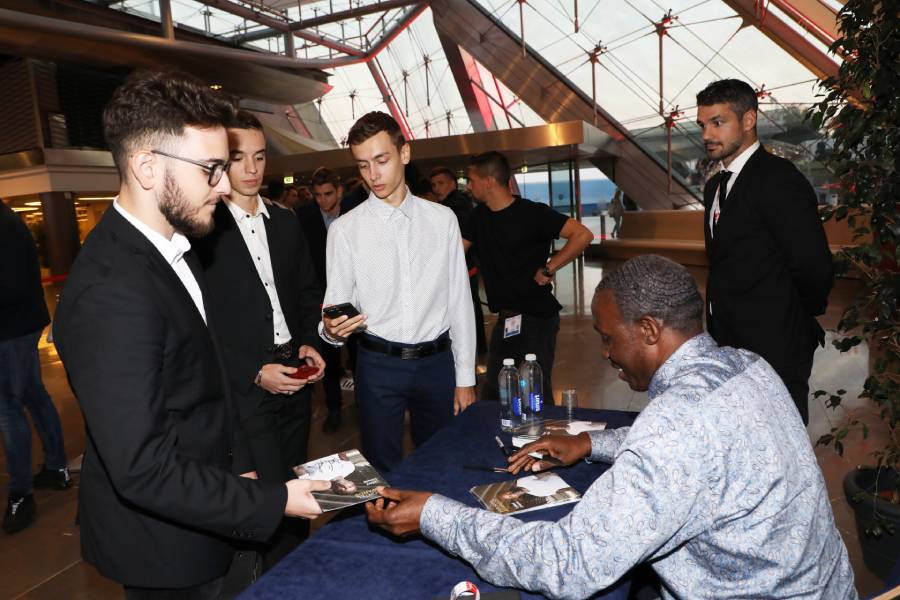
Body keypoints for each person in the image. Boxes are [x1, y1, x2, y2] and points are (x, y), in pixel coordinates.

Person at [367, 254, 857, 599]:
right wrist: (589, 442)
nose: (604, 353)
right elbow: (702, 448)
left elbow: (571, 564)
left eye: (608, 338)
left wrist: (434, 514)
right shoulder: (745, 364)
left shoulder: (676, 428)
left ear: (647, 329)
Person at [52, 69, 328, 598]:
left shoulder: (177, 249)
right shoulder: (110, 291)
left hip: (212, 506)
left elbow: (209, 382)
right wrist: (277, 501)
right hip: (167, 546)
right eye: (211, 169)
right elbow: (142, 467)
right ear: (147, 166)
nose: (224, 185)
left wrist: (244, 468)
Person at [191, 110, 326, 568]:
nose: (251, 168)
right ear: (220, 164)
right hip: (245, 387)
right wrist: (253, 371)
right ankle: (270, 580)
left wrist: (311, 341)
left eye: (260, 157)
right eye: (238, 158)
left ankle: (298, 572)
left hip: (294, 374)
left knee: (298, 486)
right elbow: (200, 325)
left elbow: (308, 291)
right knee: (267, 496)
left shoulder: (286, 222)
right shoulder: (203, 233)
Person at [320, 111, 476, 474]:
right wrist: (330, 330)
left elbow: (459, 301)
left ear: (404, 154)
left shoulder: (442, 220)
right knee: (380, 471)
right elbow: (335, 304)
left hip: (437, 364)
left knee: (441, 463)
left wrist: (465, 376)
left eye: (381, 160)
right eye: (362, 165)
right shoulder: (345, 230)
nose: (373, 175)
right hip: (377, 366)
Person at [697, 79, 834, 424]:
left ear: (748, 121)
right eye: (703, 125)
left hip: (776, 347)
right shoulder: (716, 185)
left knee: (783, 448)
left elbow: (814, 266)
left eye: (718, 122)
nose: (707, 135)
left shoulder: (778, 180)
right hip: (727, 345)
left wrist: (790, 322)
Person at [462, 151, 593, 402]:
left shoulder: (533, 213)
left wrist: (549, 268)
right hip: (507, 318)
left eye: (472, 179)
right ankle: (497, 438)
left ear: (488, 181)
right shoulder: (478, 217)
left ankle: (545, 440)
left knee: (535, 391)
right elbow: (456, 252)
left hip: (537, 318)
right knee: (493, 390)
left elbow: (583, 235)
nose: (469, 186)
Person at [0, 200, 71, 535]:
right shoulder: (8, 220)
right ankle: (57, 469)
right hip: (19, 326)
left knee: (8, 409)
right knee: (33, 396)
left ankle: (20, 493)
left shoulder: (5, 225)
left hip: (11, 331)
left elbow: (11, 286)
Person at [297, 167, 361, 434]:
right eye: (317, 195)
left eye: (327, 194)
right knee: (330, 358)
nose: (322, 200)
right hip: (323, 299)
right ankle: (334, 409)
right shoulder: (305, 217)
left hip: (356, 298)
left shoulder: (357, 215)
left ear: (340, 191)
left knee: (359, 355)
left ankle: (364, 406)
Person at [430, 167, 487, 356]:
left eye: (441, 183)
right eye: (434, 185)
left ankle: (472, 350)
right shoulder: (460, 202)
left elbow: (461, 239)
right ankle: (479, 349)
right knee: (472, 307)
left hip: (461, 267)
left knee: (466, 310)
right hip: (467, 265)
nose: (437, 188)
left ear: (453, 183)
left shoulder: (453, 205)